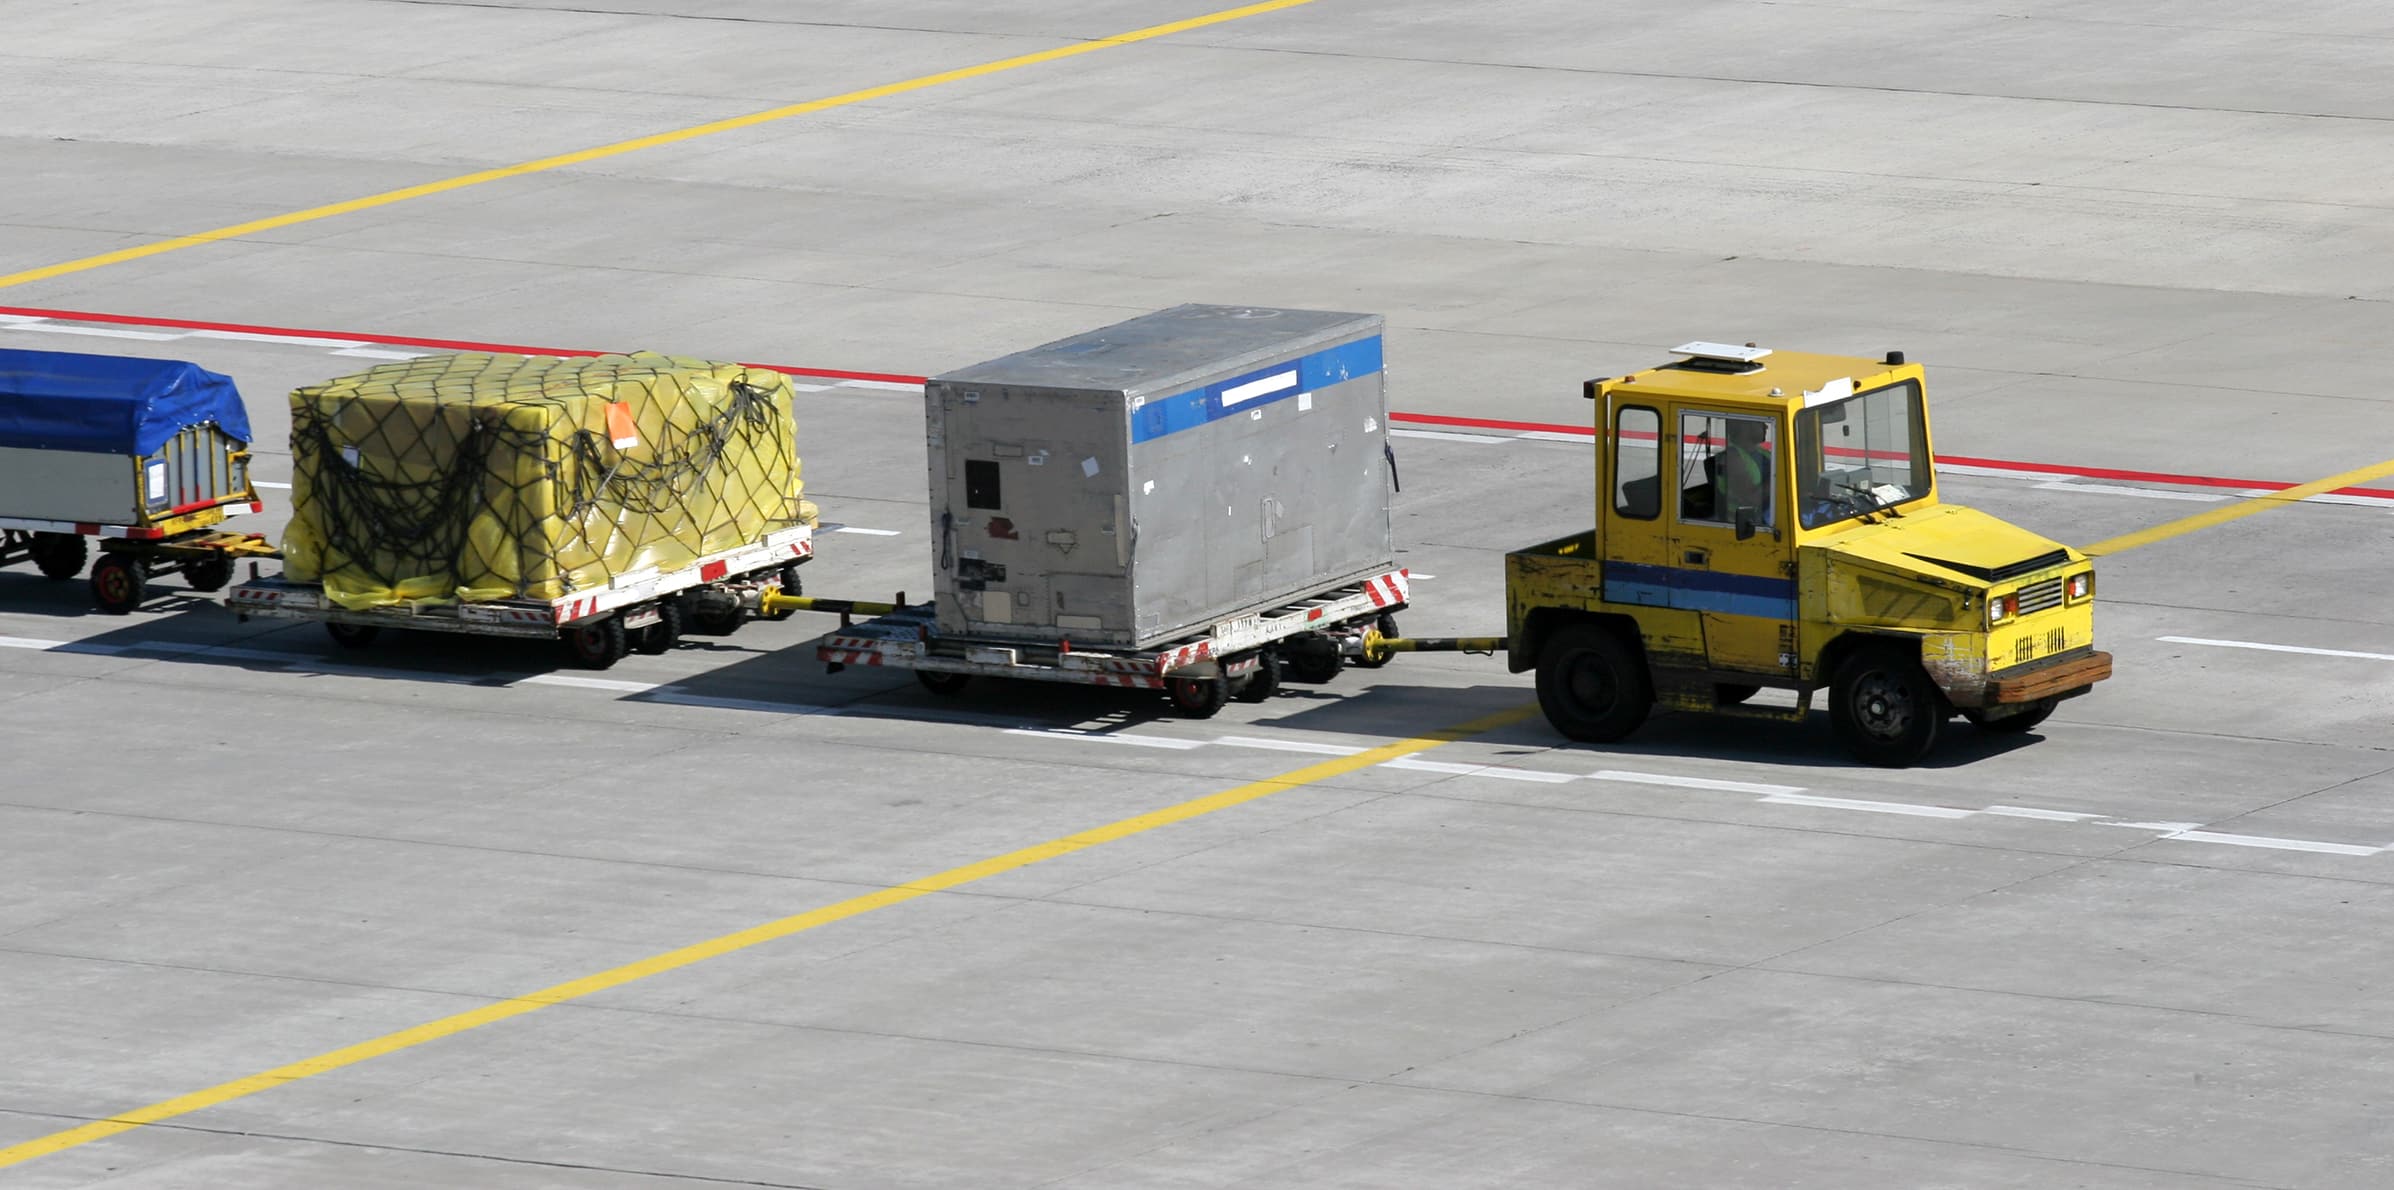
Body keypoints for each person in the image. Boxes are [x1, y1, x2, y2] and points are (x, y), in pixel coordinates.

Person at [1718, 419, 1772, 526]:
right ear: (1745, 427)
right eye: (1760, 423)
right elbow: (1751, 499)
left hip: (1767, 513)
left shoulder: (1762, 453)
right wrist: (1777, 479)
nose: (1766, 427)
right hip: (1746, 523)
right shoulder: (1732, 458)